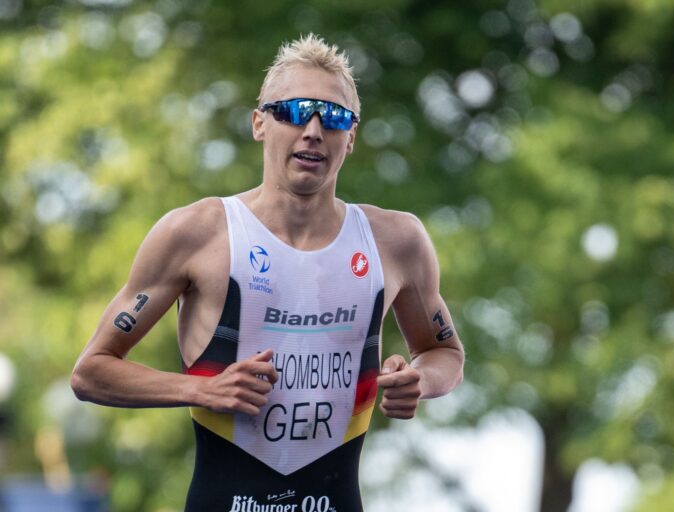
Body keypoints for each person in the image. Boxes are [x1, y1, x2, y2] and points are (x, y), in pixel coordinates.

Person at [71, 33, 464, 511]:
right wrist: (200, 389)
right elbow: (91, 373)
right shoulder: (197, 233)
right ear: (259, 123)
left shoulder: (396, 240)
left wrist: (420, 381)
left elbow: (443, 352)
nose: (314, 129)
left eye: (335, 117)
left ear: (352, 137)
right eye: (296, 110)